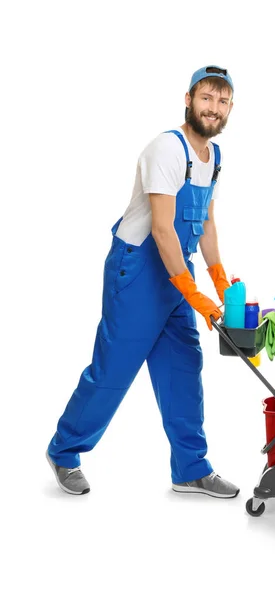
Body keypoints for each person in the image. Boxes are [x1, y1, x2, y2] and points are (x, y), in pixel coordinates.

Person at [46, 66, 239, 499]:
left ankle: (191, 469)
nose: (214, 108)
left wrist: (221, 282)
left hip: (176, 274)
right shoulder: (167, 150)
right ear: (188, 99)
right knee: (114, 370)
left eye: (223, 101)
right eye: (206, 98)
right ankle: (64, 451)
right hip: (137, 271)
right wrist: (195, 294)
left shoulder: (216, 157)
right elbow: (163, 230)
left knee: (184, 370)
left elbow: (205, 221)